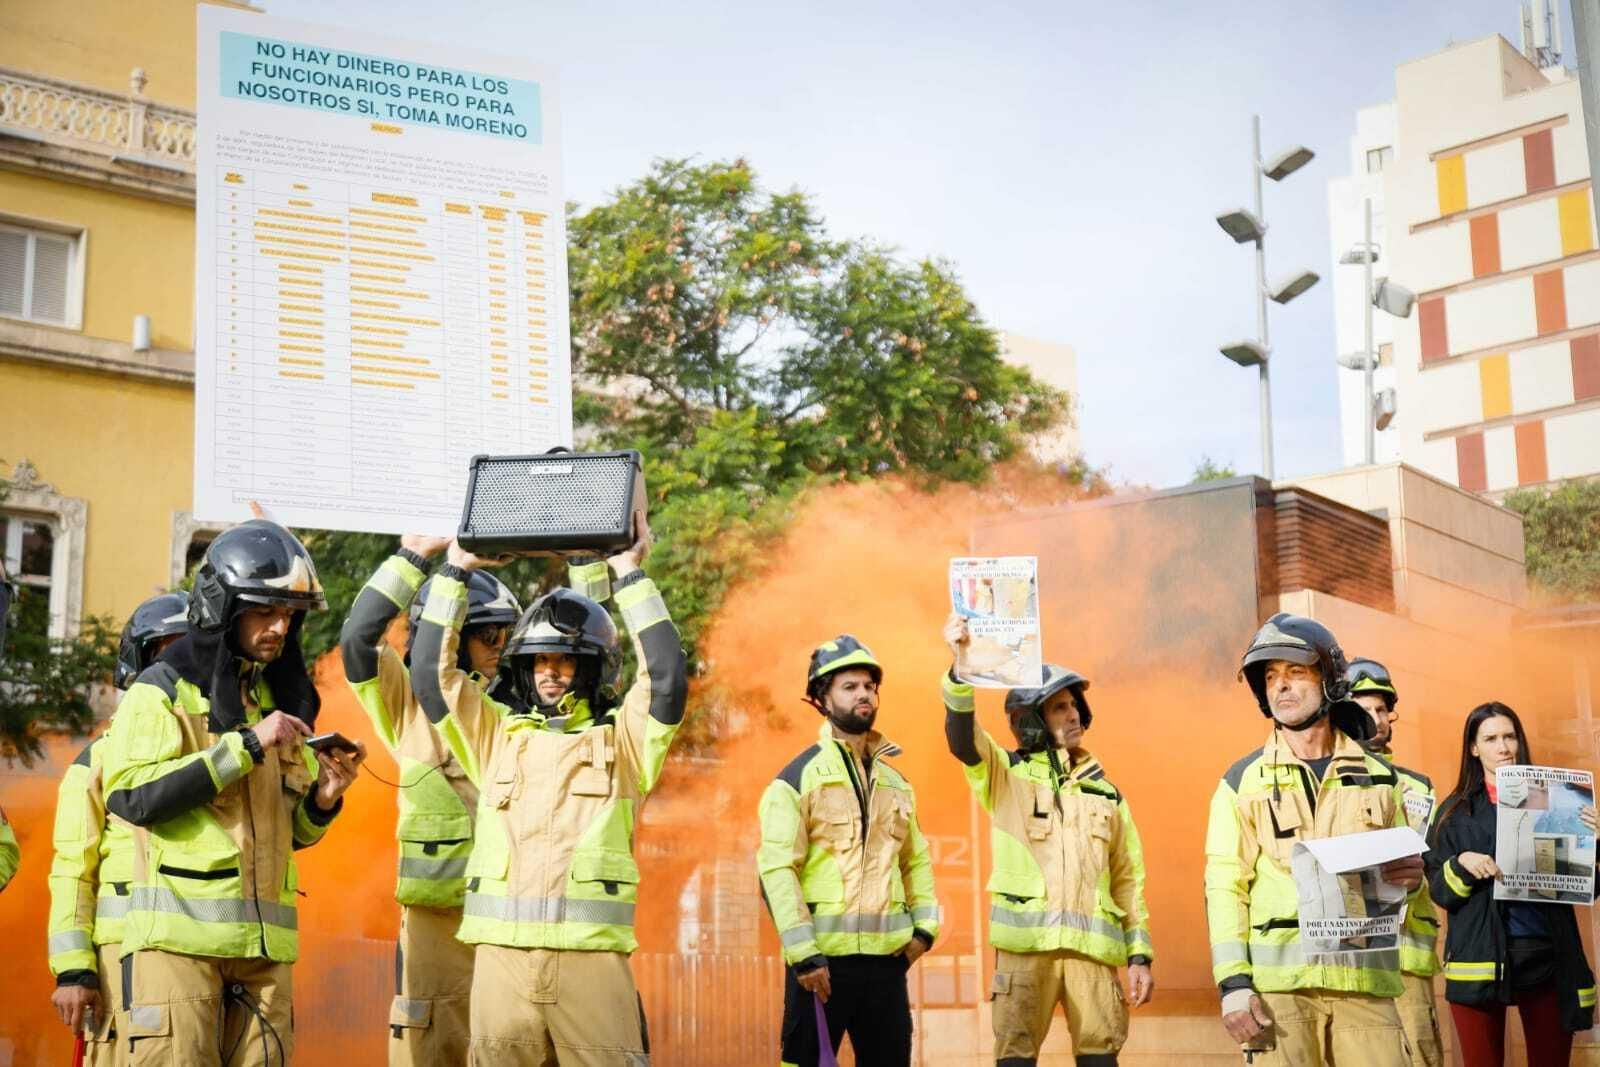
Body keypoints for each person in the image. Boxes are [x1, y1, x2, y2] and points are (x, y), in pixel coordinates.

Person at [410, 520, 686, 1066]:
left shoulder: (624, 742)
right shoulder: (494, 738)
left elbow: (667, 678)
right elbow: (431, 673)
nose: (550, 673)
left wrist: (629, 571)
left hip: (591, 964)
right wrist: (456, 569)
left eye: (564, 660)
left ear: (590, 669)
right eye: (539, 661)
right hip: (500, 963)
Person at [100, 519, 364, 1065]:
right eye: (264, 611)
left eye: (288, 615)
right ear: (223, 608)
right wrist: (242, 746)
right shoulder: (159, 691)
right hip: (178, 951)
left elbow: (285, 837)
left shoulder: (274, 699)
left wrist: (324, 800)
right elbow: (132, 799)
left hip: (264, 957)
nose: (280, 627)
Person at [1204, 613, 1422, 1066]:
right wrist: (1233, 985)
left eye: (1295, 672)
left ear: (1331, 679)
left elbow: (1403, 878)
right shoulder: (1241, 783)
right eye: (1270, 677)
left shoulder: (1381, 779)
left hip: (1366, 986)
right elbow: (1225, 886)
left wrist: (1412, 878)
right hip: (1280, 995)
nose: (1280, 686)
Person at [339, 534, 522, 1066]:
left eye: (505, 635)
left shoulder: (514, 712)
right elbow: (358, 640)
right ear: (455, 638)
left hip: (510, 916)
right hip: (433, 924)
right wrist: (415, 558)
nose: (500, 648)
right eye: (489, 635)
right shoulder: (407, 709)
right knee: (427, 1049)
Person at [941, 612, 1153, 1066]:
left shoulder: (1106, 792)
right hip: (1024, 953)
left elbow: (1128, 881)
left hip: (1092, 958)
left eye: (1074, 704)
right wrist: (959, 671)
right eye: (1059, 706)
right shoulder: (1005, 774)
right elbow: (962, 740)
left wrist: (1139, 955)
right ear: (1031, 719)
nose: (1073, 712)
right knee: (1015, 1059)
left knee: (1100, 1059)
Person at [756, 634, 940, 1067]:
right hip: (821, 969)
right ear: (822, 698)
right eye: (849, 686)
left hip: (887, 966)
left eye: (869, 686)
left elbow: (916, 860)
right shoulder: (795, 779)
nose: (864, 695)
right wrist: (804, 957)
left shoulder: (897, 783)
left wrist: (924, 932)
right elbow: (777, 870)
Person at [47, 592, 188, 1064]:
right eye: (169, 652)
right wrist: (73, 972)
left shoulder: (219, 752)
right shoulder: (98, 760)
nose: (180, 666)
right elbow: (73, 868)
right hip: (119, 956)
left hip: (195, 957)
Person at [1426, 701, 1597, 1066]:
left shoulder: (1561, 801)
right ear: (1473, 748)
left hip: (1548, 956)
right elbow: (1439, 891)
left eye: (1509, 736)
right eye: (1490, 739)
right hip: (1480, 960)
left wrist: (1594, 841)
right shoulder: (1455, 812)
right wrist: (1461, 865)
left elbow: (1589, 887)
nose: (1502, 747)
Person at [1345, 657, 1443, 1067]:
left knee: (1421, 1056)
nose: (1376, 718)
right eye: (1364, 709)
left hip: (1406, 959)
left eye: (1382, 709)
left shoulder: (1418, 786)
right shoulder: (1327, 780)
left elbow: (1434, 866)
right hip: (1349, 954)